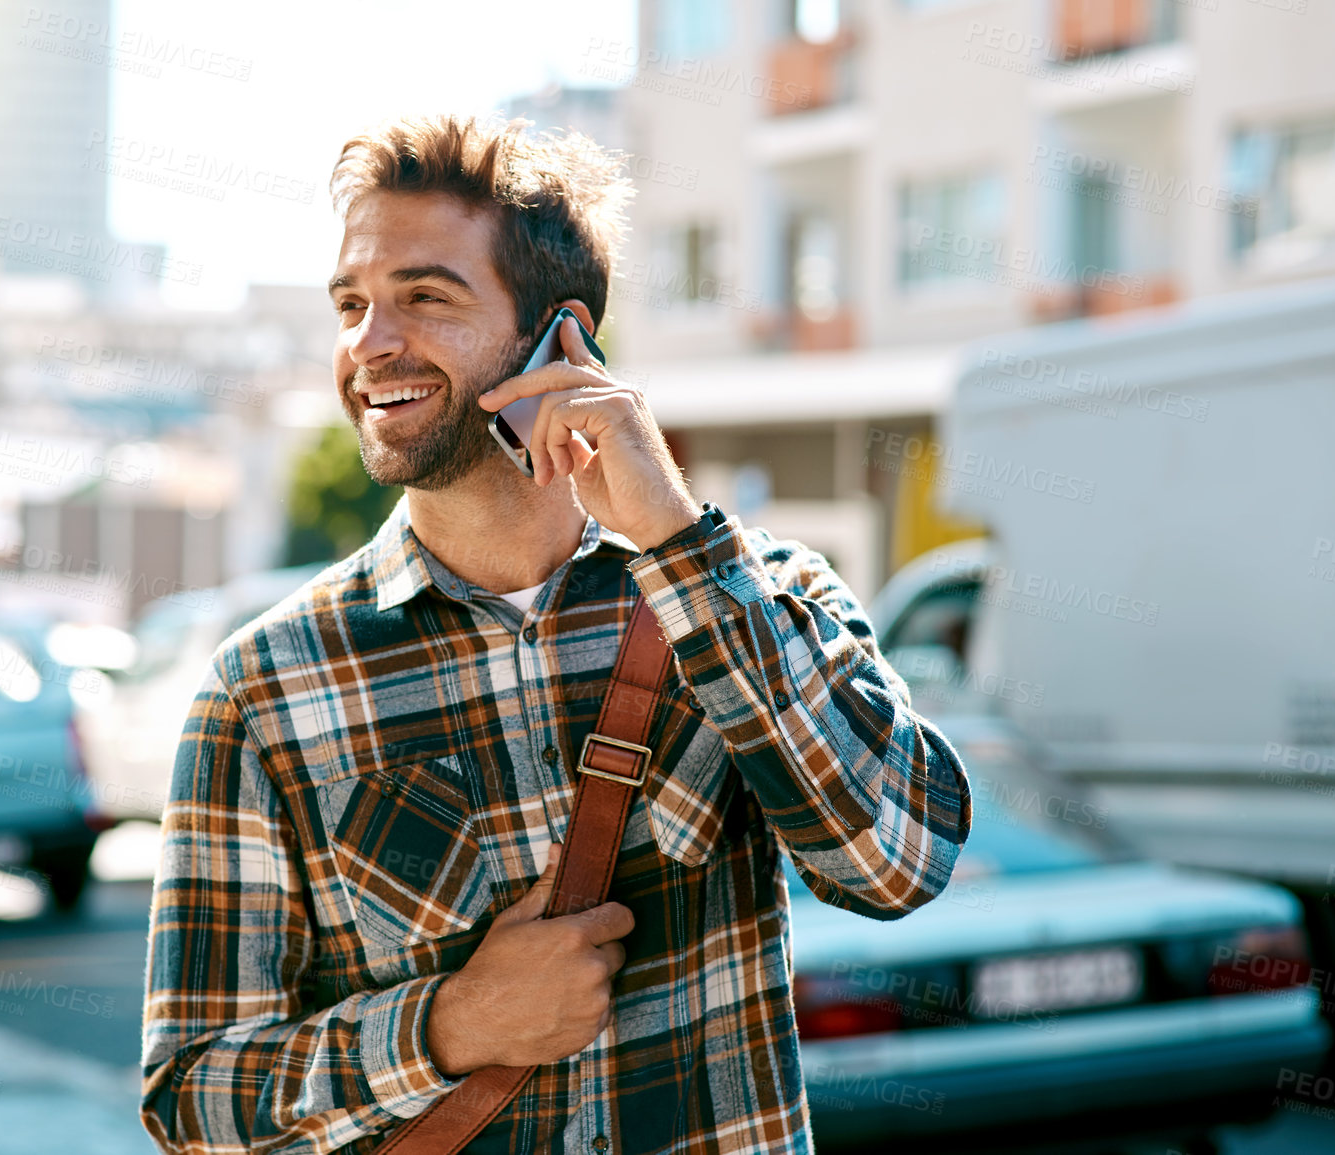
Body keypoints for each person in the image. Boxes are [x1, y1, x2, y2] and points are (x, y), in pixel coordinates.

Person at [140, 113, 972, 1155]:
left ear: (561, 340)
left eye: (424, 298)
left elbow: (896, 864)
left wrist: (675, 540)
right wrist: (447, 1028)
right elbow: (192, 1103)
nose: (368, 344)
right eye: (351, 305)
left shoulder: (767, 598)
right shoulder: (262, 691)